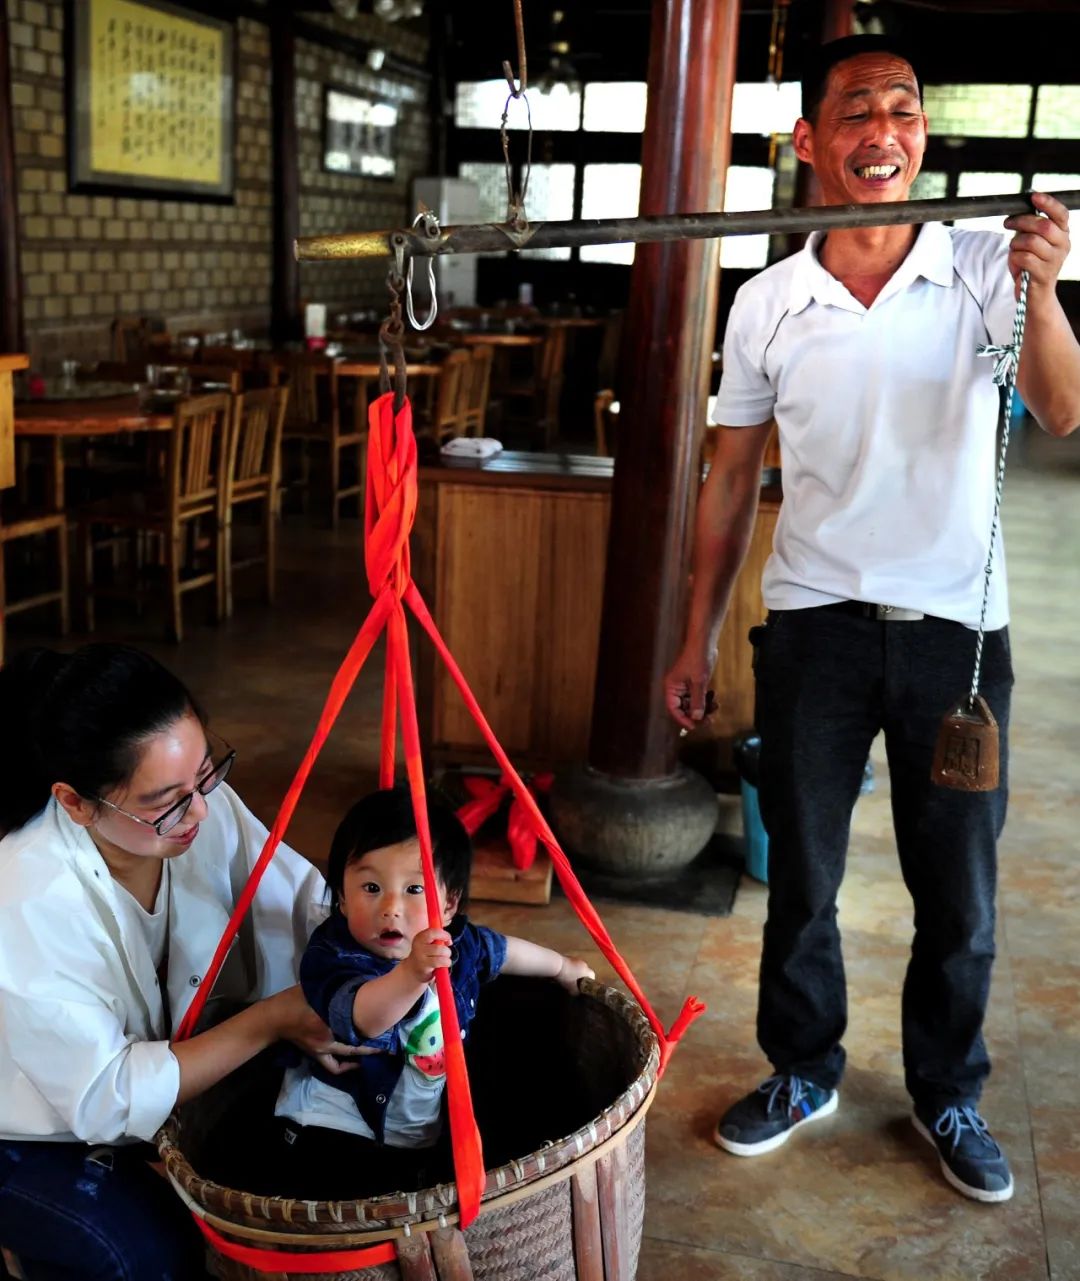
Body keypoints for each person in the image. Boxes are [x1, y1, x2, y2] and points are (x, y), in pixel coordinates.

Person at [665, 34, 1080, 1205]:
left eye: (902, 109)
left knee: (959, 884)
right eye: (855, 109)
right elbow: (732, 479)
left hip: (958, 632)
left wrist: (1045, 287)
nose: (882, 128)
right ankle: (804, 1068)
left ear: (922, 141)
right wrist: (695, 633)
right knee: (801, 870)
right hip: (815, 623)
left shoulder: (990, 265)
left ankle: (949, 1089)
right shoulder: (768, 301)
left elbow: (1059, 407)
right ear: (811, 144)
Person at [0, 644, 361, 1279]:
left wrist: (382, 941)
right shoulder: (27, 893)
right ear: (76, 802)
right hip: (31, 1132)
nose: (199, 810)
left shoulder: (201, 810)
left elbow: (302, 903)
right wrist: (271, 1020)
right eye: (165, 800)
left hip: (153, 1104)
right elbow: (105, 1095)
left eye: (205, 772)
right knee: (143, 1258)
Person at [271, 785, 594, 1198]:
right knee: (352, 1212)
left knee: (424, 1194)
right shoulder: (333, 955)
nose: (391, 907)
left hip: (413, 1130)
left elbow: (506, 951)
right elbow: (363, 1018)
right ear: (342, 900)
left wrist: (563, 967)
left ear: (449, 904)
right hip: (331, 1126)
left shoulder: (458, 943)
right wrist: (410, 973)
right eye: (371, 888)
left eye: (414, 889)